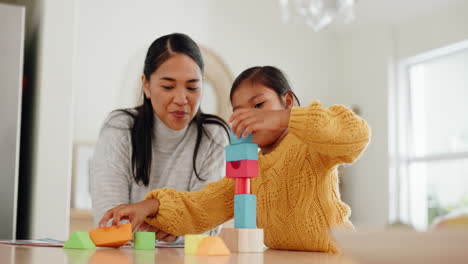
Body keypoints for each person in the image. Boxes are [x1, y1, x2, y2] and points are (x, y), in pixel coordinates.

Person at [99, 66, 371, 252]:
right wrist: (150, 206)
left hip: (334, 254)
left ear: (287, 101)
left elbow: (354, 134)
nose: (249, 118)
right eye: (239, 112)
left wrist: (285, 119)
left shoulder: (310, 144)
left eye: (259, 105)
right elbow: (202, 205)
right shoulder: (248, 172)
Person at [89, 33, 229, 242]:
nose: (182, 99)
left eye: (192, 87)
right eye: (168, 87)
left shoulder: (214, 135)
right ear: (146, 85)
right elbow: (109, 222)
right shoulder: (120, 128)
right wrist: (177, 226)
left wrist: (154, 221)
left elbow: (206, 226)